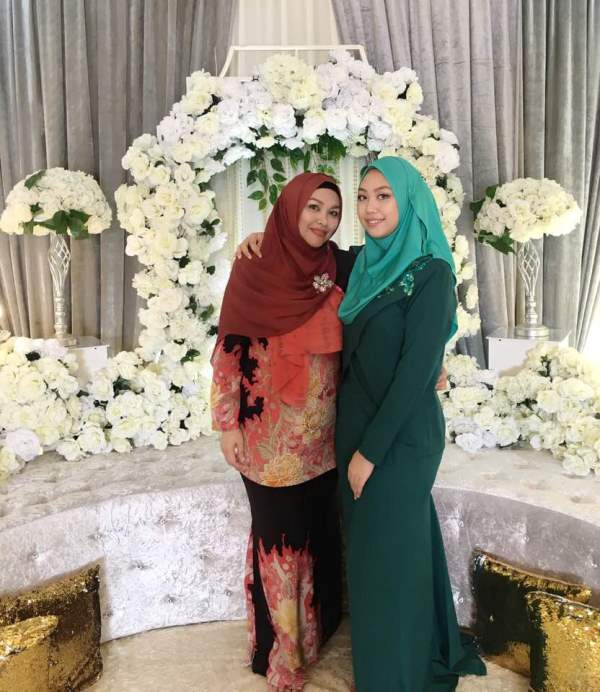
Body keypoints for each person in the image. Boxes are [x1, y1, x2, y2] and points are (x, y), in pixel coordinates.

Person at [335, 157, 486, 691]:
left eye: (384, 196)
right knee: (387, 552)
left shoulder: (431, 274)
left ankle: (393, 680)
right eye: (363, 196)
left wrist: (369, 454)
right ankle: (421, 647)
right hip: (355, 429)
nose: (370, 208)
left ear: (408, 201)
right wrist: (255, 243)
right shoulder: (363, 266)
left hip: (398, 438)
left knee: (386, 560)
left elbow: (414, 374)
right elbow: (304, 251)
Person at [211, 172, 350, 691]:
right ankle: (283, 655)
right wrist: (226, 424)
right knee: (279, 545)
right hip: (267, 440)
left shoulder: (337, 267)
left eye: (333, 212)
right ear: (290, 208)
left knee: (316, 537)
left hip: (324, 440)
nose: (323, 220)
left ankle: (315, 637)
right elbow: (229, 350)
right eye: (313, 207)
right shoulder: (254, 266)